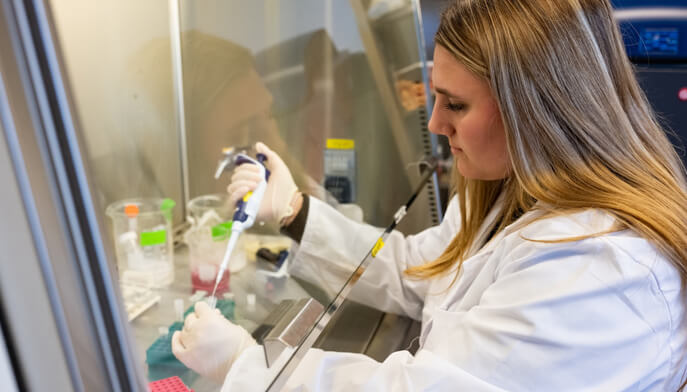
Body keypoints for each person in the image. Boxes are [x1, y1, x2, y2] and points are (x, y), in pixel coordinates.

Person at [171, 0, 687, 390]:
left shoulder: (599, 270)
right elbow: (420, 269)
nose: (436, 123)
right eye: (435, 95)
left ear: (536, 110)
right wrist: (294, 211)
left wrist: (248, 368)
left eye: (456, 104)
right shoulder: (515, 192)